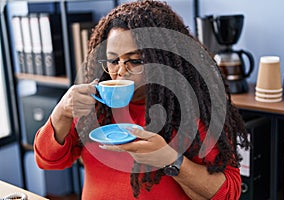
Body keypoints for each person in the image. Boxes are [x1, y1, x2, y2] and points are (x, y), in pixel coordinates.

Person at [34, 0, 250, 199]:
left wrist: (170, 160)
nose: (119, 71)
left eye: (135, 61)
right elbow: (46, 161)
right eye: (112, 61)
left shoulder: (187, 110)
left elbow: (229, 192)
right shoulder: (94, 105)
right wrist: (61, 111)